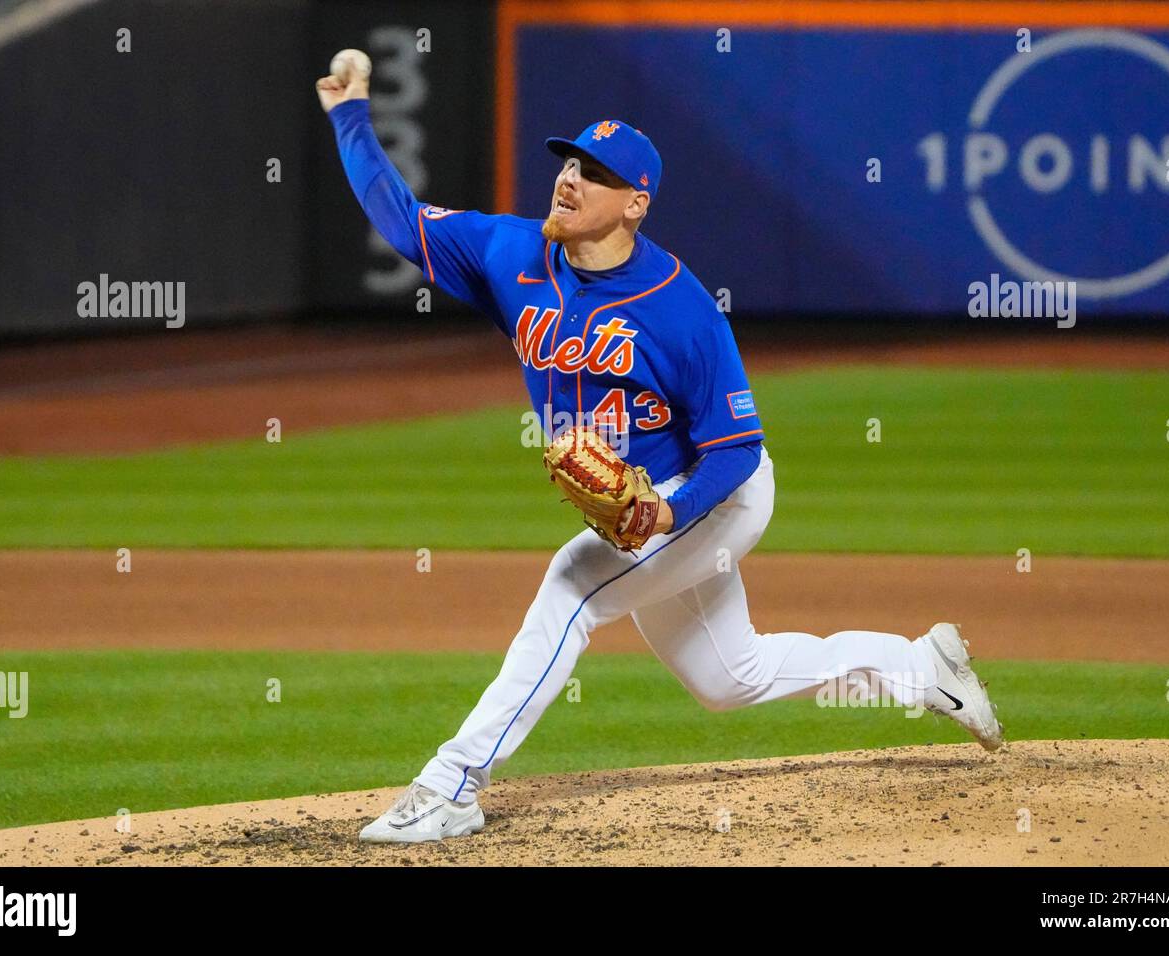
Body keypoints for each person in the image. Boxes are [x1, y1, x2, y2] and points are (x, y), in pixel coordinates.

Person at [315, 59, 1003, 845]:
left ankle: (453, 785)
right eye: (568, 164)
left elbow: (738, 452)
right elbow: (403, 222)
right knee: (727, 678)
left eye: (595, 175)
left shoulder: (681, 310)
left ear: (635, 204)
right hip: (649, 510)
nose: (569, 182)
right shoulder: (509, 254)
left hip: (716, 497)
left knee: (571, 587)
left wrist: (667, 512)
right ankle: (923, 667)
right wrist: (352, 118)